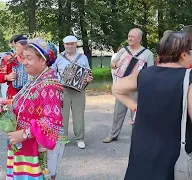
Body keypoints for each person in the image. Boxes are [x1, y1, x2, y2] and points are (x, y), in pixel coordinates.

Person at [112, 31, 192, 179]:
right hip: (172, 149)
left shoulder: (144, 74)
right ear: (184, 55)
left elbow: (117, 88)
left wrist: (136, 107)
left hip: (142, 146)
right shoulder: (188, 77)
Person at [7, 38, 65, 180]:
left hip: (39, 147)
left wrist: (25, 134)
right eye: (23, 57)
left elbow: (52, 121)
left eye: (29, 58)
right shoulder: (35, 79)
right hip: (27, 144)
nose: (24, 62)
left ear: (42, 60)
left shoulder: (48, 85)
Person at [103, 28, 155, 143]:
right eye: (129, 36)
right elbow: (112, 64)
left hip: (137, 87)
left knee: (136, 113)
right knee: (118, 112)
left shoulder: (147, 54)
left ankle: (136, 136)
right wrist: (117, 65)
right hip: (122, 86)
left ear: (139, 39)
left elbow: (151, 72)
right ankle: (113, 134)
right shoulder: (123, 51)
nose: (129, 39)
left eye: (132, 37)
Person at [51, 35, 93, 149]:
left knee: (78, 115)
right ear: (64, 45)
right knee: (62, 115)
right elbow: (52, 72)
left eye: (72, 44)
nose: (70, 46)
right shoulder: (59, 58)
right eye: (67, 44)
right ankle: (62, 138)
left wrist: (88, 79)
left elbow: (88, 73)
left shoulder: (82, 57)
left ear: (76, 44)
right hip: (62, 90)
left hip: (78, 90)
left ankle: (80, 139)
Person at [0, 34, 28, 99]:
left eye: (27, 43)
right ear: (16, 44)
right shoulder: (8, 59)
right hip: (13, 96)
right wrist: (7, 77)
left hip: (31, 95)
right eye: (23, 44)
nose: (25, 46)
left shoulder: (33, 58)